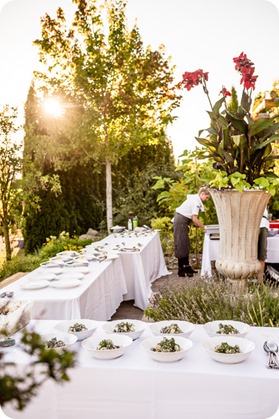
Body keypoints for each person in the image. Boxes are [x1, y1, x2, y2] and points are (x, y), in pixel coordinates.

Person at [173, 187, 211, 277]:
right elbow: (195, 219)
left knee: (185, 244)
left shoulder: (195, 200)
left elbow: (192, 218)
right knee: (181, 244)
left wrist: (197, 224)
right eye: (207, 197)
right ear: (202, 194)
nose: (207, 199)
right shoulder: (195, 202)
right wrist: (204, 227)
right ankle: (181, 269)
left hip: (182, 221)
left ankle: (186, 266)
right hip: (180, 221)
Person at [257, 207, 269, 283]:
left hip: (263, 223)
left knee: (262, 255)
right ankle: (259, 281)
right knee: (260, 255)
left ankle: (260, 281)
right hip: (254, 221)